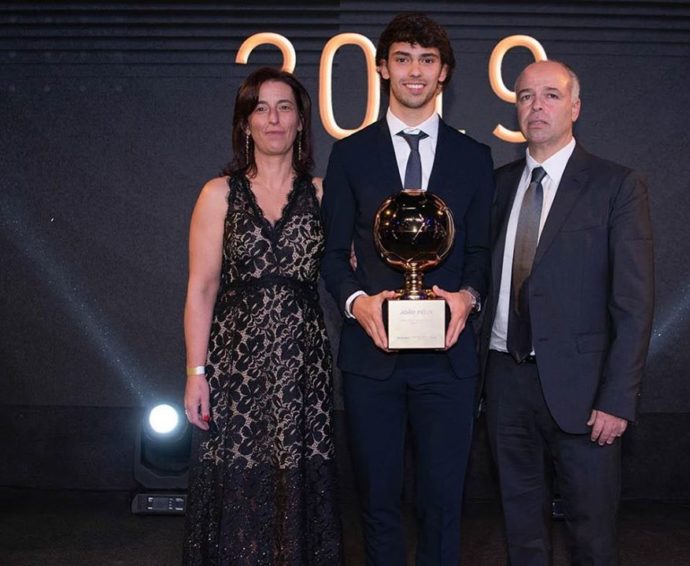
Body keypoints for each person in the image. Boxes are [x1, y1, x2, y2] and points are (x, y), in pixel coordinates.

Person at [320, 13, 494, 566]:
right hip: (372, 358)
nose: (414, 71)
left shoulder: (475, 158)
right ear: (382, 69)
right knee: (377, 502)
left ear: (444, 73)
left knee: (443, 504)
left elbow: (481, 253)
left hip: (448, 359)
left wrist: (467, 298)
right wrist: (358, 303)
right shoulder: (350, 154)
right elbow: (330, 255)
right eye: (402, 58)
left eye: (427, 60)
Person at [480, 60, 655, 566]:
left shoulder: (616, 185)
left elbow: (634, 302)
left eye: (551, 95)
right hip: (505, 382)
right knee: (521, 534)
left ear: (575, 108)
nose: (536, 106)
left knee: (592, 539)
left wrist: (618, 398)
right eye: (525, 96)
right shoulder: (497, 186)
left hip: (585, 392)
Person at [182, 67, 343, 565]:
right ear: (245, 123)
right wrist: (195, 373)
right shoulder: (218, 194)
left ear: (301, 122)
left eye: (284, 107)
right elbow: (201, 288)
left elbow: (348, 270)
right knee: (239, 489)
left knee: (299, 485)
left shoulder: (324, 195)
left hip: (302, 369)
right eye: (261, 108)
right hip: (236, 370)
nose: (273, 119)